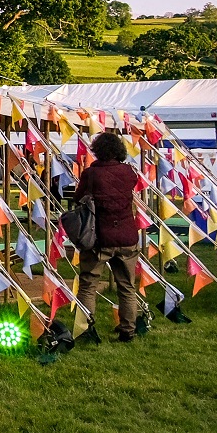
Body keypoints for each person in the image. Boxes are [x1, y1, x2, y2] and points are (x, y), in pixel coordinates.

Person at [71, 131, 143, 342]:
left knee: (88, 285)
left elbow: (78, 198)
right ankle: (128, 331)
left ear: (98, 151)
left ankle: (85, 330)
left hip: (98, 238)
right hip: (127, 237)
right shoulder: (129, 172)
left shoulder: (91, 174)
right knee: (127, 286)